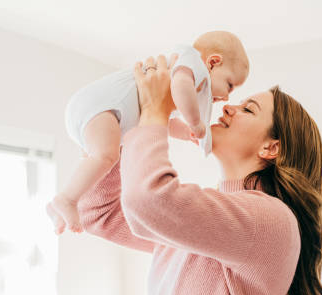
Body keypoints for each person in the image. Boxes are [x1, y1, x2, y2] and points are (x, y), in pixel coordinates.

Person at [77, 54, 322, 295]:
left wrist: (154, 113)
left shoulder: (270, 219)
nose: (227, 108)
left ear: (271, 148)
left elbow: (149, 201)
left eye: (248, 109)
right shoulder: (207, 220)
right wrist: (121, 126)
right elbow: (99, 212)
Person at [47, 31, 249, 234]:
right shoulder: (191, 64)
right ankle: (66, 199)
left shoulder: (181, 80)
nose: (225, 98)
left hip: (97, 111)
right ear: (213, 62)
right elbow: (180, 87)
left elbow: (162, 120)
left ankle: (60, 204)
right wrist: (195, 122)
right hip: (100, 107)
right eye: (229, 85)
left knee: (99, 157)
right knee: (106, 155)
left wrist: (187, 132)